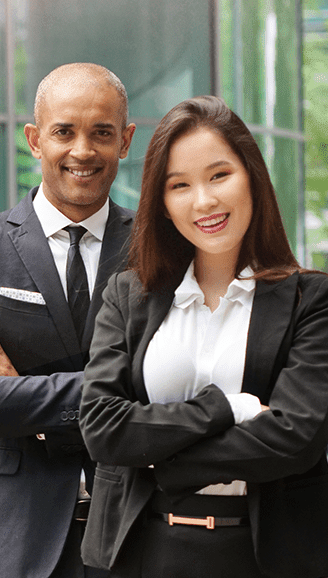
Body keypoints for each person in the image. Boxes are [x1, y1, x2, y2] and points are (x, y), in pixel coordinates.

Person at [79, 96, 328, 578]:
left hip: (266, 554)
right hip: (141, 549)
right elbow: (103, 426)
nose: (204, 201)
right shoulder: (128, 294)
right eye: (180, 185)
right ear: (163, 203)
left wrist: (167, 464)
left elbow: (298, 437)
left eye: (219, 176)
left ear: (252, 177)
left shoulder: (310, 299)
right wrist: (226, 409)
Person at [0, 62, 137, 578]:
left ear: (127, 140)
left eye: (102, 133)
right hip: (7, 538)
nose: (83, 151)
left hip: (132, 533)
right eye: (64, 132)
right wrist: (111, 394)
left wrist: (20, 390)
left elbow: (166, 393)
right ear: (34, 139)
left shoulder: (158, 250)